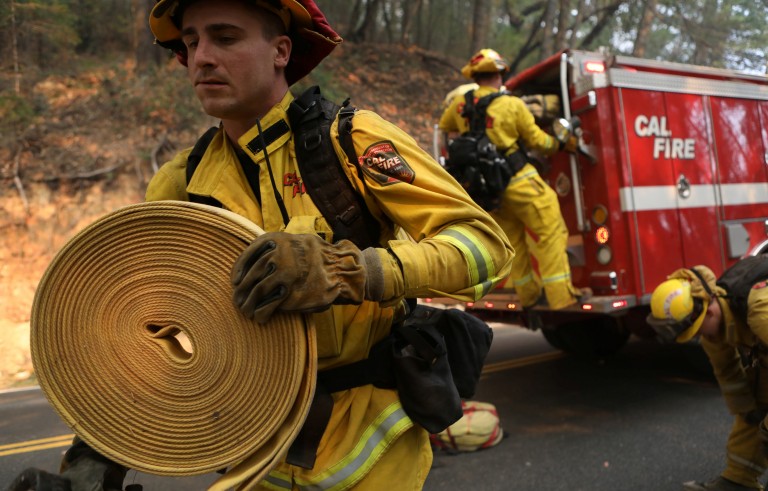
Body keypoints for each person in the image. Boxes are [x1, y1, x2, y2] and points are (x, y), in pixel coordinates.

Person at [7, 1, 514, 490]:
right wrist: (94, 456)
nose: (201, 56)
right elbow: (146, 336)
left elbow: (484, 245)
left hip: (372, 454)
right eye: (191, 41)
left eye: (225, 37)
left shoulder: (351, 141)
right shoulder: (180, 184)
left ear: (281, 51)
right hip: (253, 455)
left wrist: (349, 271)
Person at [438, 48, 587, 311]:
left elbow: (445, 128)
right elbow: (539, 143)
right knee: (550, 232)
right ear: (499, 75)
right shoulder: (511, 105)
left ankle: (529, 296)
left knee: (513, 243)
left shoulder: (460, 106)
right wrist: (561, 141)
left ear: (475, 76)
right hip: (520, 182)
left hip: (488, 191)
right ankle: (561, 297)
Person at [646, 261, 768, 491]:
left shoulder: (761, 311)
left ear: (710, 310)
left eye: (699, 330)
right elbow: (729, 374)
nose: (702, 338)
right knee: (758, 402)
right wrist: (748, 409)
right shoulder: (715, 327)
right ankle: (738, 480)